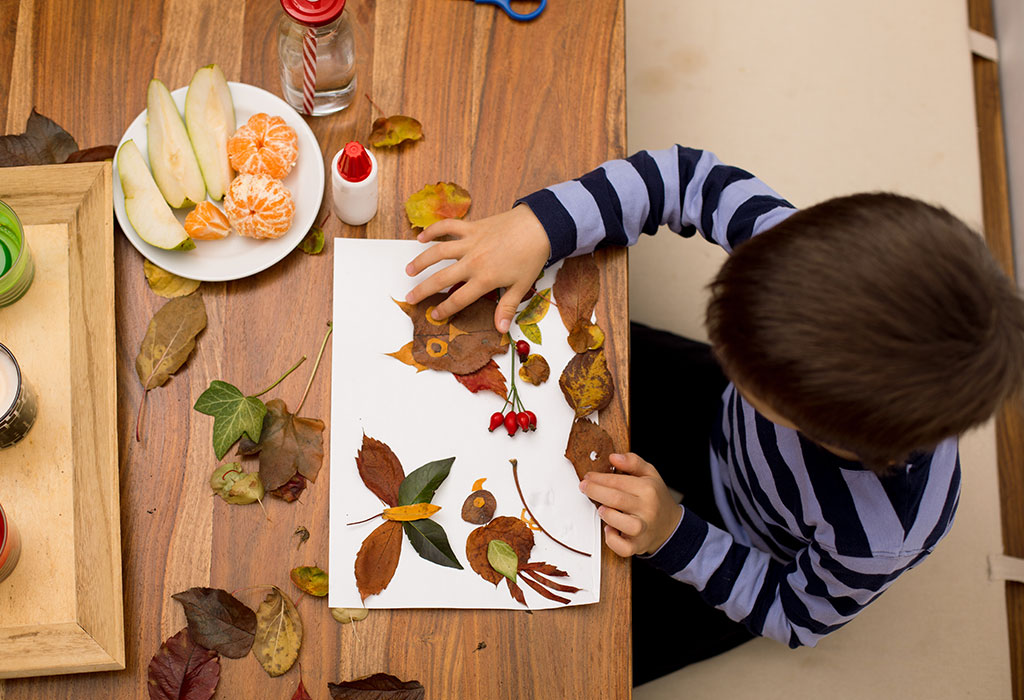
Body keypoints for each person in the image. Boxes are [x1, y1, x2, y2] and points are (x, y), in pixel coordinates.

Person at [404, 146, 1024, 684]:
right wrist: (538, 225)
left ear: (817, 428)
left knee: (576, 646)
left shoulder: (879, 536)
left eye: (748, 371)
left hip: (749, 548)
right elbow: (682, 176)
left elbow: (792, 614)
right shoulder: (805, 260)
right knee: (569, 359)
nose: (728, 351)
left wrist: (675, 535)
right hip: (718, 418)